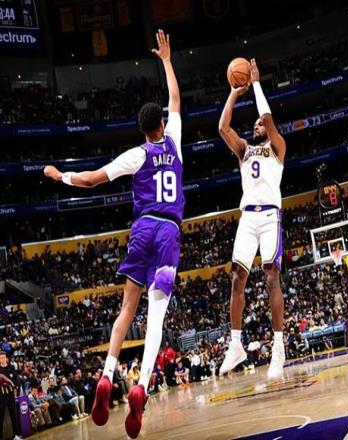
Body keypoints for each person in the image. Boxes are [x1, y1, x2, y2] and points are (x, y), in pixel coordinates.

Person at [43, 30, 184, 439]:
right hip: (169, 234)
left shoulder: (136, 154)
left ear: (142, 129)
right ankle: (141, 387)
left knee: (126, 309)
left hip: (142, 230)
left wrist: (60, 175)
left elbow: (91, 180)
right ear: (162, 124)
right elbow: (176, 99)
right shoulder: (174, 142)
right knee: (156, 317)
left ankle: (107, 374)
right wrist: (167, 60)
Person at [218, 59, 287, 380]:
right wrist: (234, 93)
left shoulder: (278, 147)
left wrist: (256, 84)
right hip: (247, 218)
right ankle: (235, 345)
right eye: (256, 124)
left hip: (270, 217)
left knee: (271, 278)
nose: (257, 125)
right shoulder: (244, 149)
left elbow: (269, 118)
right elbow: (223, 128)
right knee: (236, 279)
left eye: (261, 124)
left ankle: (278, 348)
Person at [0, 352, 22, 440]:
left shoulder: (11, 367)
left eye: (3, 357)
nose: (2, 359)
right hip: (1, 396)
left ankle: (16, 435)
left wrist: (15, 388)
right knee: (0, 417)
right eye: (0, 358)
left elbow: (15, 380)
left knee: (14, 415)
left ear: (6, 358)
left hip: (10, 395)